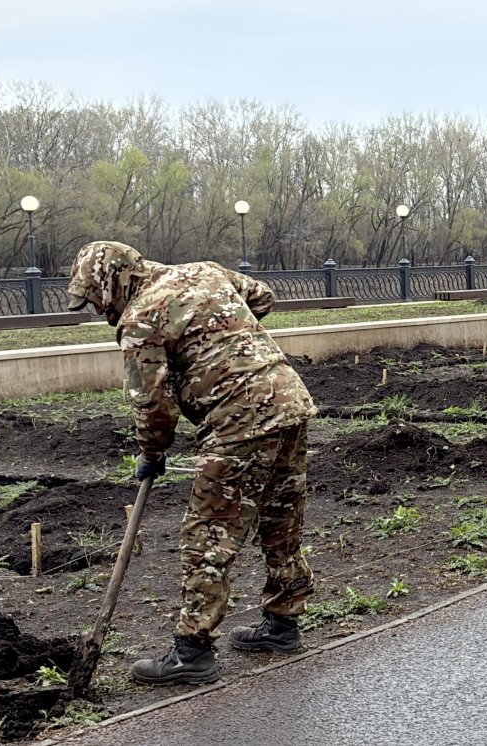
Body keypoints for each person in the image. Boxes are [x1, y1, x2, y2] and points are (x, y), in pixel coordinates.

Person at [66, 241, 319, 685]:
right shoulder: (204, 271)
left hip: (238, 421)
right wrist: (217, 339)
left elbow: (152, 406)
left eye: (94, 298)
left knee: (207, 536)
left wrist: (151, 453)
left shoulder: (140, 319)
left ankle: (192, 652)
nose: (96, 309)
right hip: (289, 402)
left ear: (112, 283)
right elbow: (262, 297)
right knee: (281, 521)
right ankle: (283, 626)